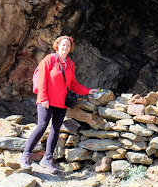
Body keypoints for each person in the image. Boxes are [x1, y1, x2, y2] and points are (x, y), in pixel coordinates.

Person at [18, 35, 99, 173]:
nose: (65, 47)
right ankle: (25, 155)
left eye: (67, 46)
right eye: (63, 45)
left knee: (56, 129)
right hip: (47, 100)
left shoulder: (70, 64)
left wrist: (87, 91)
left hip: (61, 102)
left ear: (70, 48)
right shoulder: (50, 59)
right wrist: (43, 98)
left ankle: (47, 159)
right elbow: (42, 79)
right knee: (42, 125)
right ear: (57, 46)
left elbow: (72, 84)